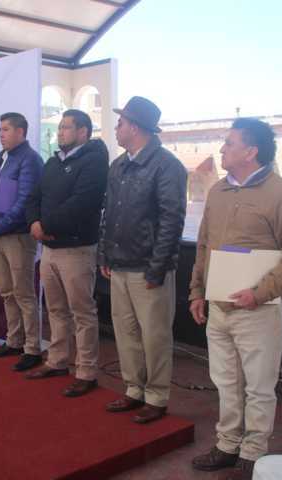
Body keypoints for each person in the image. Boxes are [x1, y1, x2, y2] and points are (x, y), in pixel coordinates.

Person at [188, 118, 282, 480]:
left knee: (258, 386)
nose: (222, 149)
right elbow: (203, 246)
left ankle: (254, 452)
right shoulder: (217, 191)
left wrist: (259, 293)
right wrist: (197, 291)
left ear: (251, 151)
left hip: (257, 309)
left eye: (229, 143)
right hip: (218, 306)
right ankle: (228, 445)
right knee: (226, 382)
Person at [98, 96, 187, 424]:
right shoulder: (118, 165)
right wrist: (105, 253)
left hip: (148, 269)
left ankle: (157, 397)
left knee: (154, 336)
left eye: (120, 123)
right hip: (119, 264)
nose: (116, 128)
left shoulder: (167, 166)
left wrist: (157, 268)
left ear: (135, 127)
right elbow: (108, 213)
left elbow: (172, 221)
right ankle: (134, 389)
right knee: (126, 334)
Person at [25, 109, 108, 397]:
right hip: (49, 248)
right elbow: (34, 197)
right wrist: (34, 223)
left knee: (82, 313)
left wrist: (46, 225)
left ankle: (86, 372)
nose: (60, 132)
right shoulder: (53, 162)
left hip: (76, 249)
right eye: (59, 127)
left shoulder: (94, 161)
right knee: (55, 310)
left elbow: (82, 203)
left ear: (83, 132)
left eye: (66, 127)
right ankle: (58, 360)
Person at [0, 113, 44, 371]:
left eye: (6, 129)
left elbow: (25, 201)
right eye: (0, 129)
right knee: (6, 291)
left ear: (21, 132)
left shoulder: (30, 160)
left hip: (17, 236)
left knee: (24, 293)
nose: (0, 134)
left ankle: (32, 348)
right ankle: (14, 340)